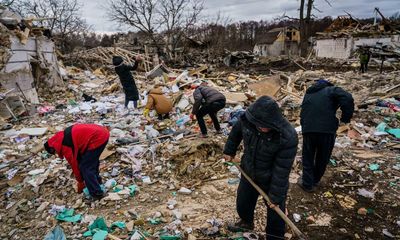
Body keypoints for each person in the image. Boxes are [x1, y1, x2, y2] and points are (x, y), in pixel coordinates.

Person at [223, 96, 298, 240]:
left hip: (271, 179)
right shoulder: (248, 120)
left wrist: (275, 196)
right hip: (249, 170)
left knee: (276, 212)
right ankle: (246, 222)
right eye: (259, 125)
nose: (262, 128)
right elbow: (236, 132)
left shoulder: (287, 136)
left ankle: (275, 236)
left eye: (265, 125)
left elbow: (282, 169)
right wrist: (229, 150)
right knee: (243, 202)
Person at [299, 79, 354, 192]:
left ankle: (307, 184)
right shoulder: (331, 90)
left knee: (308, 157)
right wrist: (345, 118)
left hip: (309, 129)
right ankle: (314, 180)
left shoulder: (308, 93)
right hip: (326, 130)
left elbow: (303, 111)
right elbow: (348, 97)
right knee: (322, 157)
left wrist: (304, 125)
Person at [44, 124, 110, 200]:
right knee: (91, 161)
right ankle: (98, 181)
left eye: (55, 152)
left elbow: (74, 164)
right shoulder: (62, 137)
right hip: (101, 133)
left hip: (98, 138)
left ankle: (97, 193)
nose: (56, 153)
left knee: (85, 167)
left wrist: (80, 181)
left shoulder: (65, 145)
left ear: (53, 148)